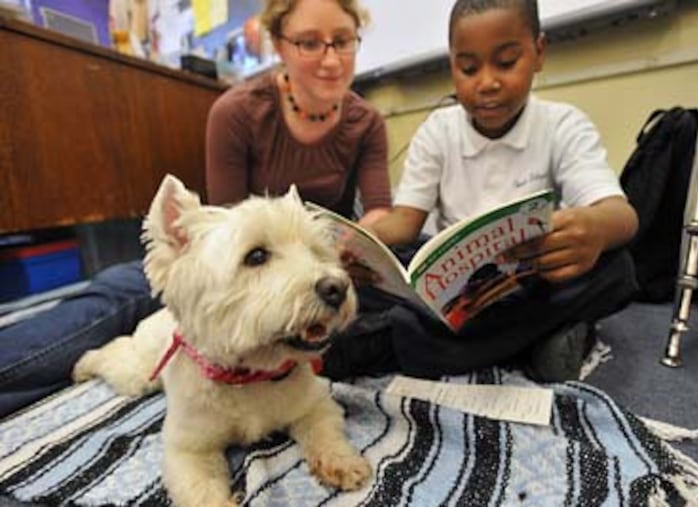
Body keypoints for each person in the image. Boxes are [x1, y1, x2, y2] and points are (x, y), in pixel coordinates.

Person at [0, 0, 392, 418]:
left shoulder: (366, 122)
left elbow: (379, 210)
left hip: (322, 261)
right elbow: (222, 233)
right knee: (118, 292)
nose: (331, 59)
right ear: (278, 43)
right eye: (309, 43)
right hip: (235, 266)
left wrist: (360, 245)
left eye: (343, 41)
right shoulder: (237, 111)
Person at [321, 0, 639, 383]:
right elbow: (404, 223)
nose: (487, 82)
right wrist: (358, 245)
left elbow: (622, 216)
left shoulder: (562, 124)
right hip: (449, 287)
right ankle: (530, 340)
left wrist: (594, 227)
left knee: (617, 269)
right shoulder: (439, 130)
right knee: (380, 271)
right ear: (452, 64)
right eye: (468, 68)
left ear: (538, 53)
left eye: (506, 63)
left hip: (525, 279)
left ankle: (388, 339)